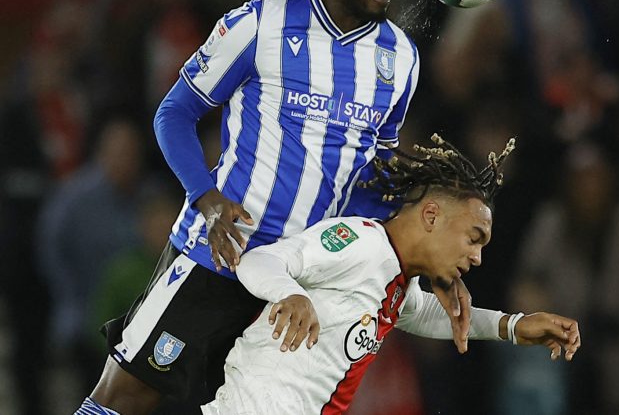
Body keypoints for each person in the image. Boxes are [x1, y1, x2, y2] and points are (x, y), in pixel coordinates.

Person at [78, 0, 472, 415]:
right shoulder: (259, 25)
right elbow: (174, 113)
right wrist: (206, 199)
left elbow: (373, 173)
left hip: (301, 280)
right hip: (220, 256)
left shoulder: (400, 59)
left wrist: (425, 259)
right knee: (123, 396)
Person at [201, 135, 581, 414]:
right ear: (431, 216)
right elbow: (259, 261)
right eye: (473, 238)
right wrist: (289, 293)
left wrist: (514, 327)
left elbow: (428, 314)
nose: (477, 257)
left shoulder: (396, 280)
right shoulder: (359, 243)